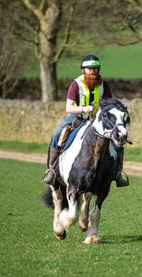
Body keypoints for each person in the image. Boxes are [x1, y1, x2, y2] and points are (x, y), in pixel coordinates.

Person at [42, 54, 129, 187]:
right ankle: (52, 170)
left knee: (118, 141)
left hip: (98, 120)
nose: (93, 71)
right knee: (58, 133)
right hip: (77, 117)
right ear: (83, 70)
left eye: (95, 69)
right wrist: (83, 109)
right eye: (89, 69)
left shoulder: (104, 85)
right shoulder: (75, 85)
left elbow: (109, 106)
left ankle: (118, 173)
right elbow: (68, 108)